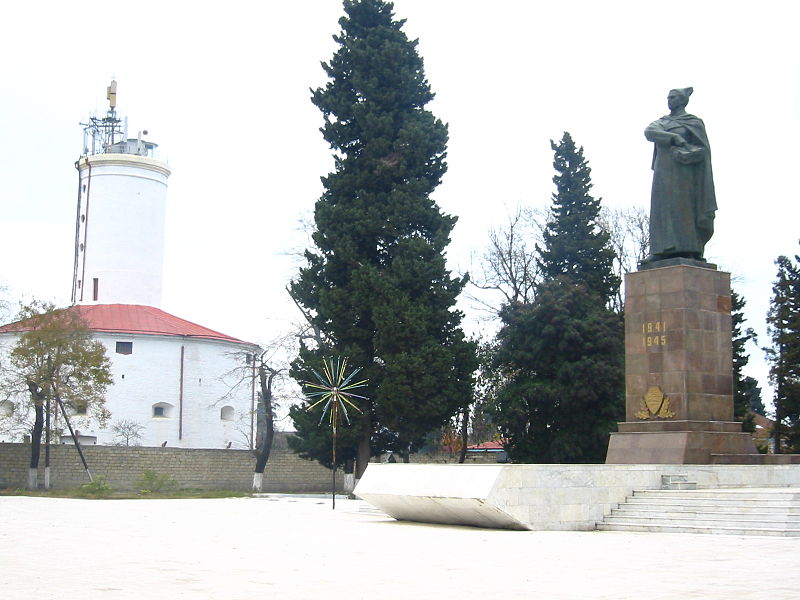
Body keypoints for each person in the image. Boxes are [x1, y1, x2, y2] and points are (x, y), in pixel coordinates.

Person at [644, 87, 717, 261]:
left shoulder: (694, 122)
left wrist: (690, 153)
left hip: (685, 174)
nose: (670, 100)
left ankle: (690, 248)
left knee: (684, 209)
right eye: (668, 97)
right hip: (662, 173)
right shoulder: (661, 122)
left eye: (674, 97)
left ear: (683, 100)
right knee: (661, 209)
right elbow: (649, 132)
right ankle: (659, 250)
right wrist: (674, 138)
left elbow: (703, 151)